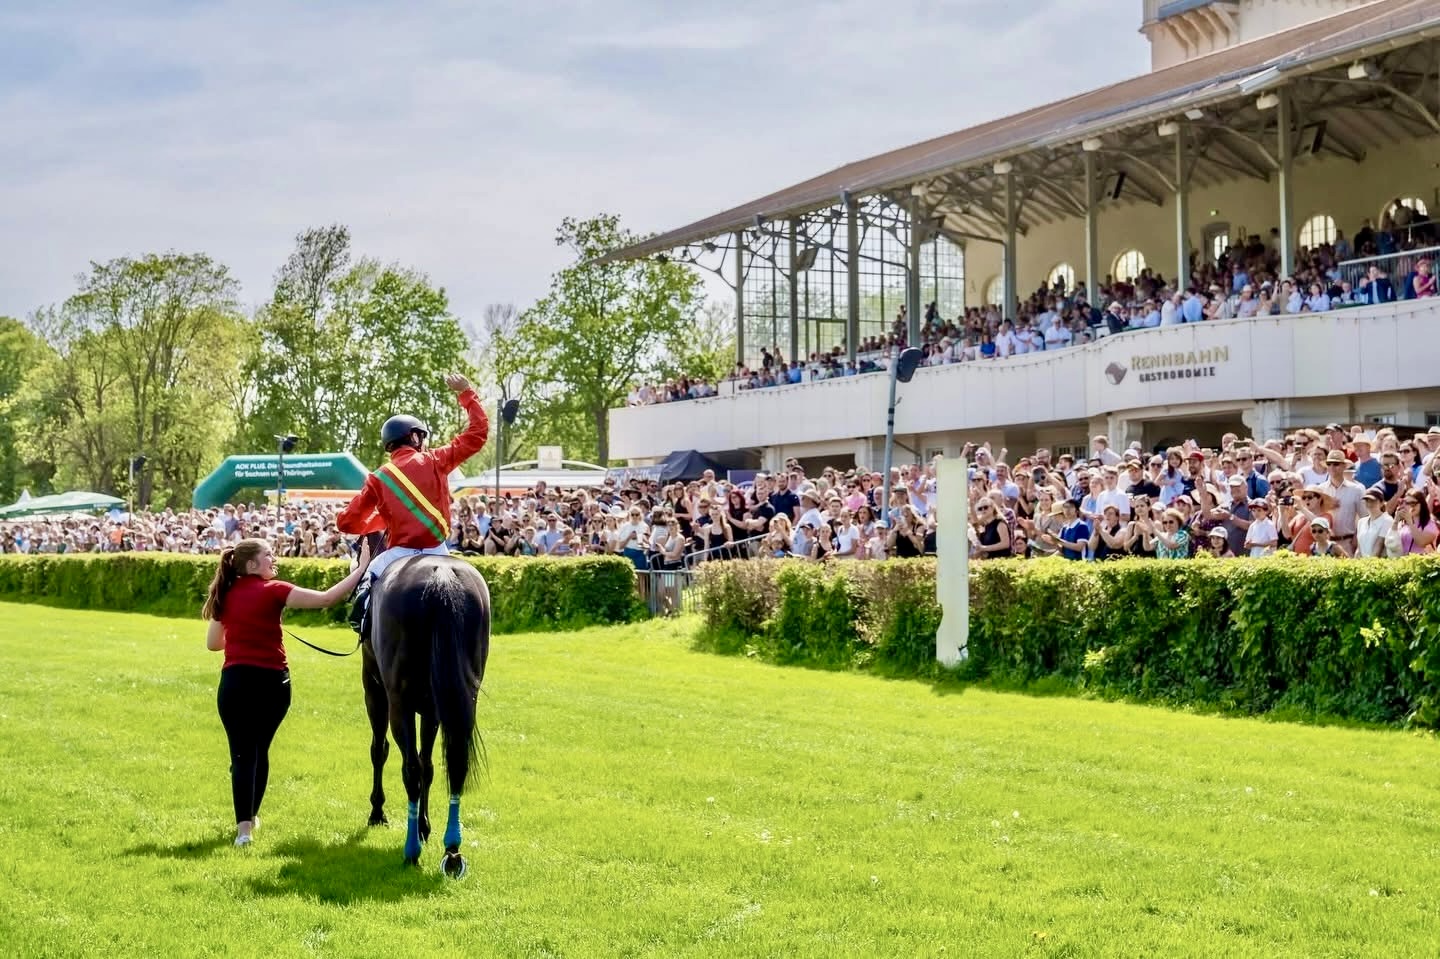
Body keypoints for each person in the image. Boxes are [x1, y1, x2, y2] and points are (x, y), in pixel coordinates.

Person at [204, 537, 371, 846]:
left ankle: (244, 831)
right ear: (252, 564)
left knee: (242, 755)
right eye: (269, 554)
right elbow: (326, 599)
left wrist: (243, 632)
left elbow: (213, 643)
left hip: (235, 683)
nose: (274, 559)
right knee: (259, 750)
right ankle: (250, 818)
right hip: (272, 684)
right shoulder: (274, 589)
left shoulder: (225, 593)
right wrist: (361, 569)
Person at [337, 373, 489, 635]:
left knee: (366, 581)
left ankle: (360, 624)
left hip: (398, 553)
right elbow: (478, 434)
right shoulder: (436, 459)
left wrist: (382, 519)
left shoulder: (378, 477)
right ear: (415, 438)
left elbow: (347, 522)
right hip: (439, 549)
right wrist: (466, 393)